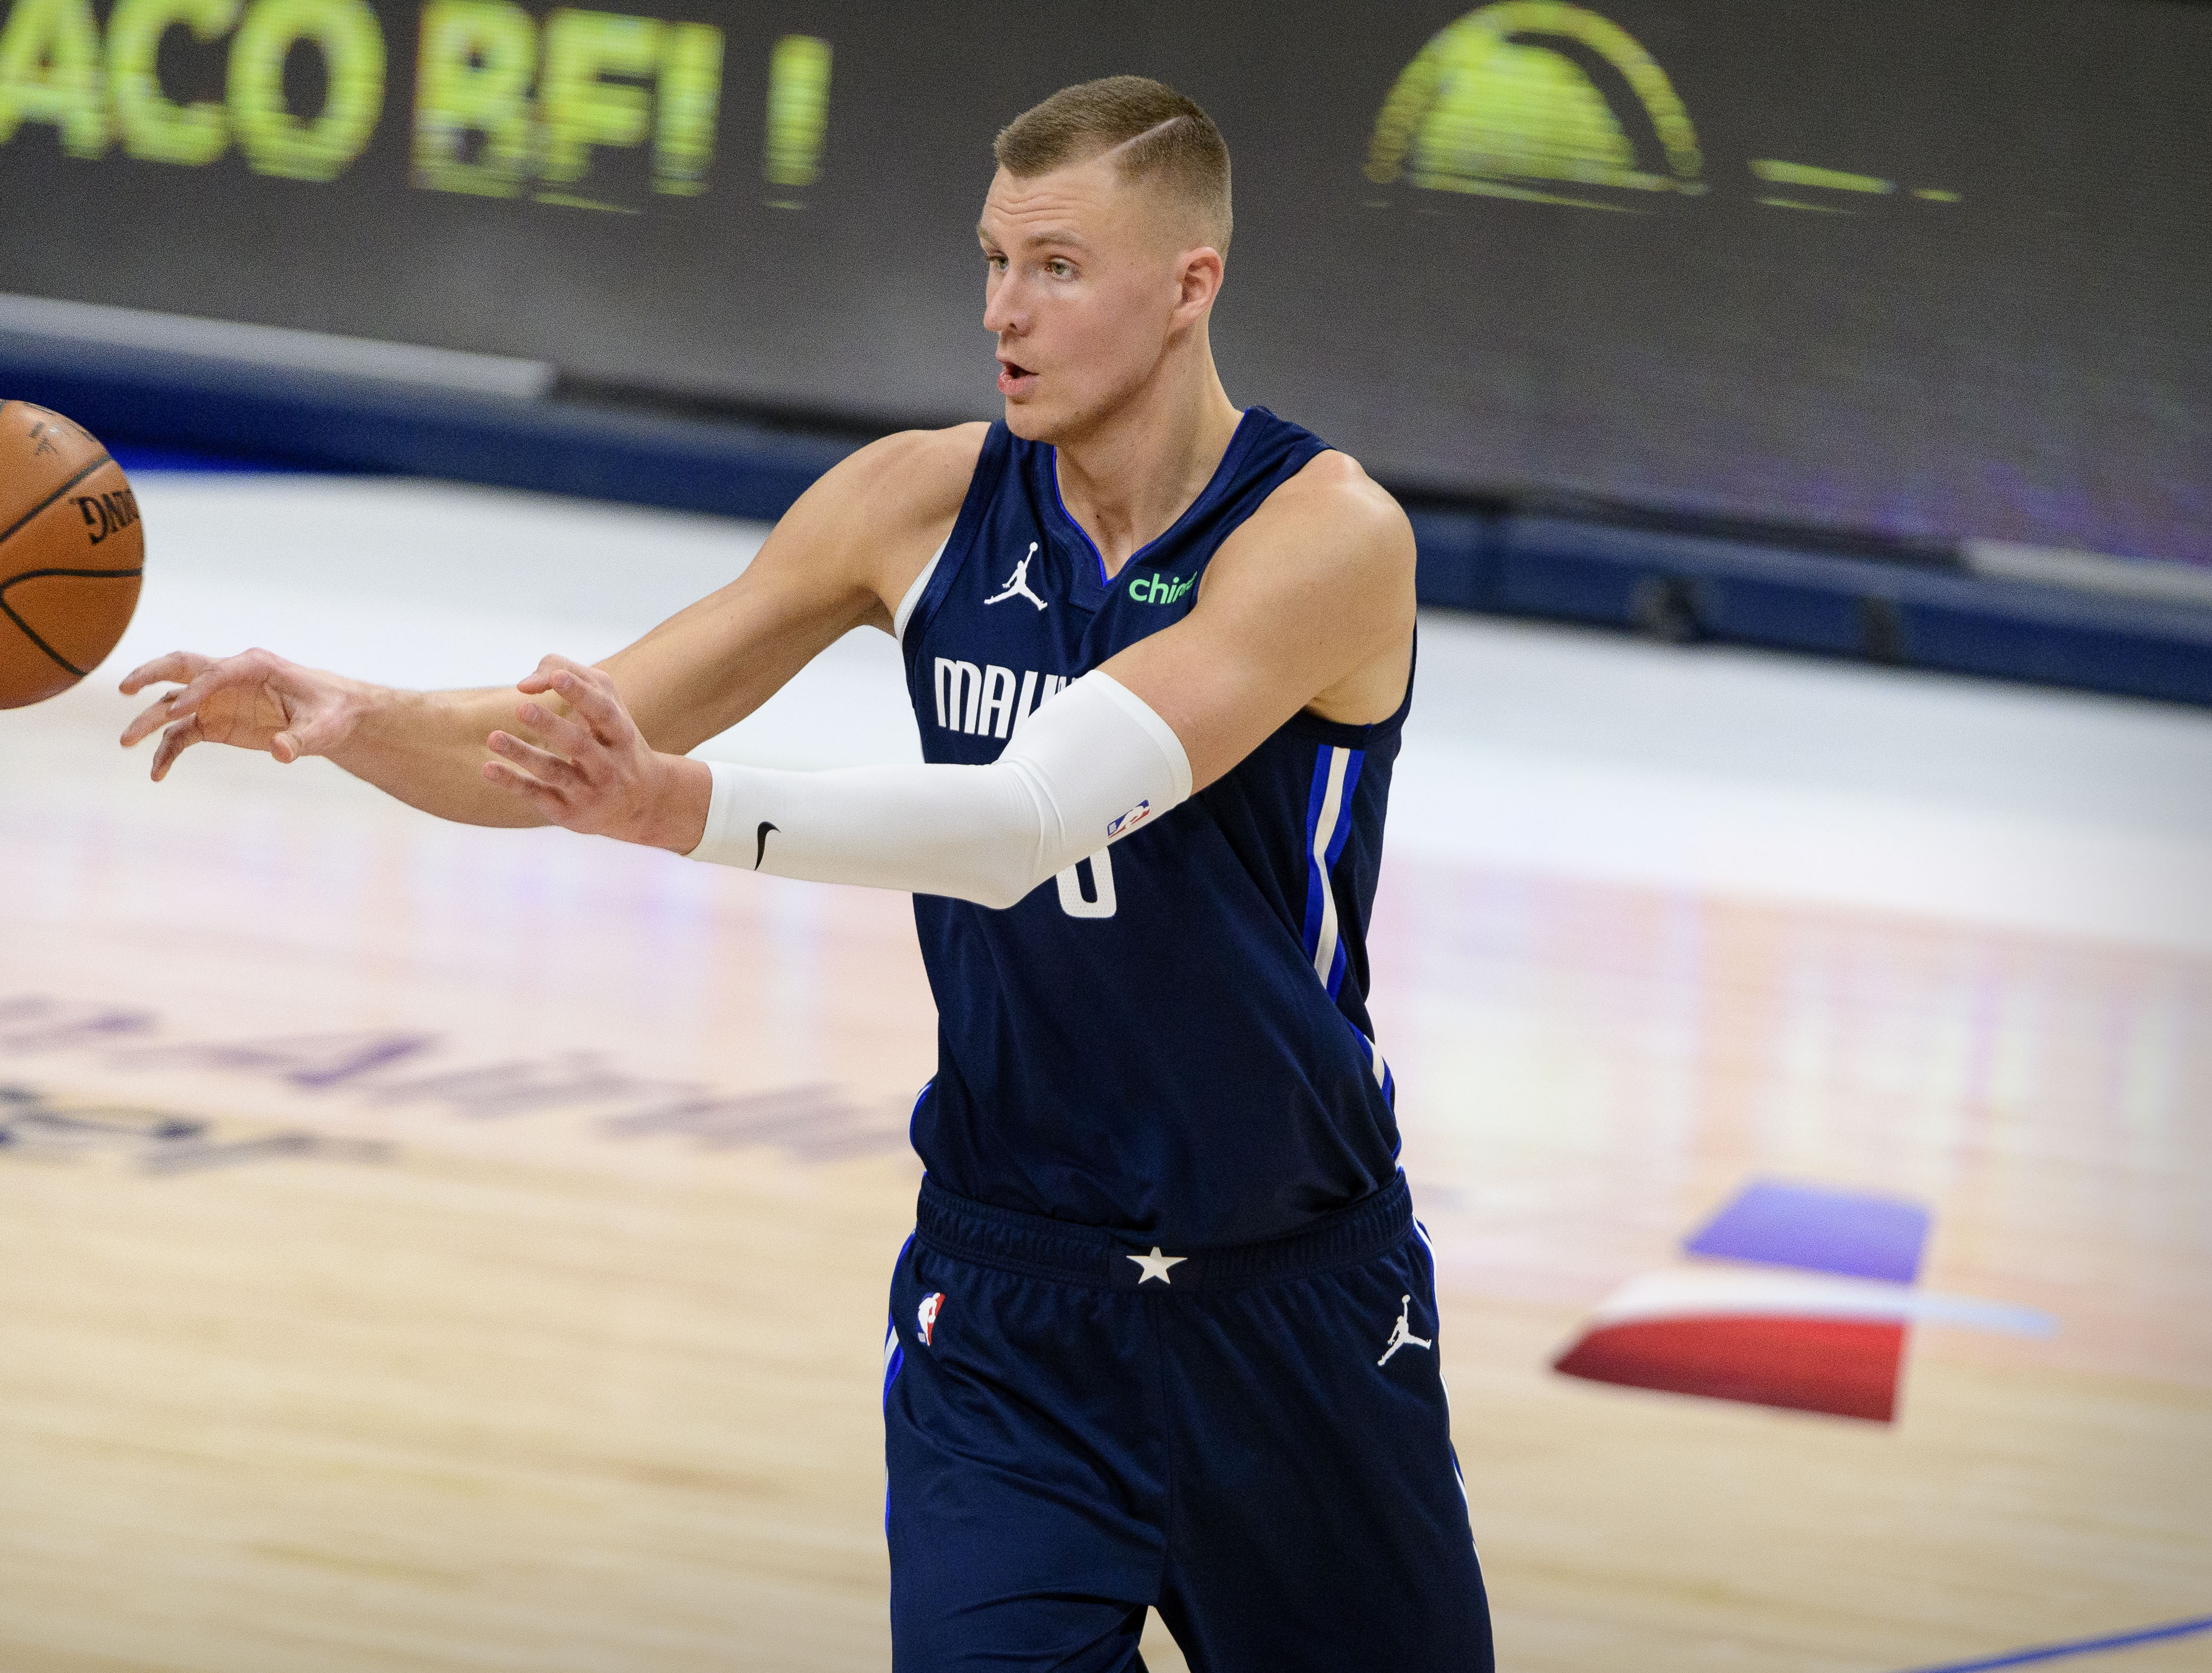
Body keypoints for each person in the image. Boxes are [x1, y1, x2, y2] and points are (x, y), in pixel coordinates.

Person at [120, 74, 1490, 1673]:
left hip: (1294, 1299)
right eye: (993, 262)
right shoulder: (914, 504)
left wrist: (677, 809)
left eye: (1057, 268)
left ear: (1192, 285)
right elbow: (571, 741)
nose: (1004, 311)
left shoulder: (1325, 537)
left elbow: (1023, 822)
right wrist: (359, 715)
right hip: (1011, 1301)